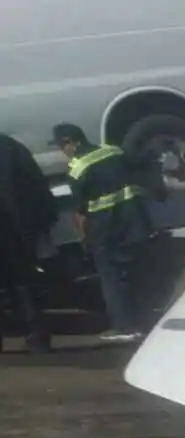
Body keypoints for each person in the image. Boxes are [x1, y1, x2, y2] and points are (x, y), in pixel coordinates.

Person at [53, 123, 151, 344]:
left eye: (62, 145)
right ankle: (145, 320)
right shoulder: (113, 150)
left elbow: (81, 212)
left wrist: (81, 238)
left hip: (107, 230)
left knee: (112, 280)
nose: (63, 151)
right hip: (135, 222)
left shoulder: (77, 168)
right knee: (136, 272)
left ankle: (125, 327)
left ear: (71, 142)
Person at [0, 131, 57, 354]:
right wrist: (42, 221)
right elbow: (36, 183)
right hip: (17, 228)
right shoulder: (11, 147)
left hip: (12, 226)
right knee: (24, 282)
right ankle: (37, 336)